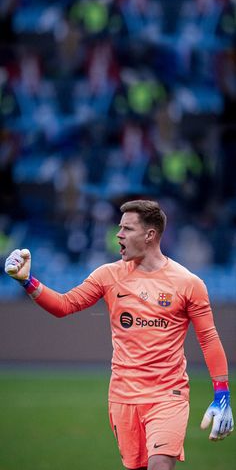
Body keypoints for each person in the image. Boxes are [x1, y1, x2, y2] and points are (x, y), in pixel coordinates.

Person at [4, 199, 234, 470]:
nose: (118, 235)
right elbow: (64, 306)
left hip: (167, 396)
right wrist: (27, 281)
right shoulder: (108, 275)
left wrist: (222, 394)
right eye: (119, 228)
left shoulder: (189, 283)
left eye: (126, 229)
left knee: (160, 464)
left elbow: (208, 338)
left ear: (149, 235)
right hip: (122, 397)